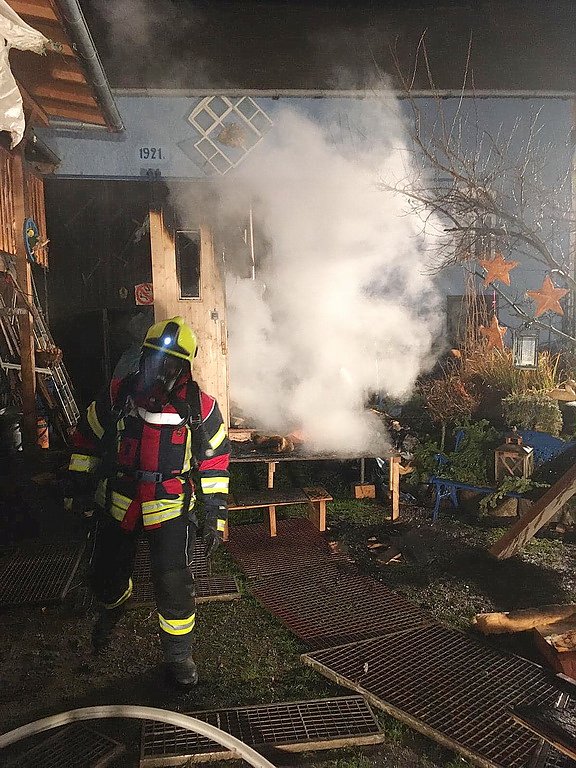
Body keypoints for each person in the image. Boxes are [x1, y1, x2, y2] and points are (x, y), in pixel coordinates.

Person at [65, 316, 230, 686]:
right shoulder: (118, 395)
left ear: (185, 367)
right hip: (118, 501)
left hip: (170, 507)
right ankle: (114, 603)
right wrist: (77, 489)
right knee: (105, 577)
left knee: (174, 585)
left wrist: (214, 516)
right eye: (155, 357)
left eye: (171, 362)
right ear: (143, 357)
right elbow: (86, 439)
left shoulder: (200, 408)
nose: (162, 367)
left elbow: (215, 463)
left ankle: (179, 658)